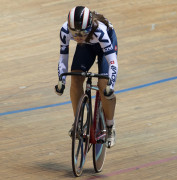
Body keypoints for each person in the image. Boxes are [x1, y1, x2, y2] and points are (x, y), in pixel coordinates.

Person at [54, 6, 118, 148]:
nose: (78, 37)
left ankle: (110, 127)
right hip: (86, 47)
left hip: (104, 48)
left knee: (103, 85)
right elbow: (63, 58)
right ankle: (78, 122)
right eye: (74, 33)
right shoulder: (65, 30)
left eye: (82, 33)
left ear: (89, 27)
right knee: (75, 79)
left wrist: (110, 85)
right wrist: (61, 81)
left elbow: (112, 62)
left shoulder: (100, 31)